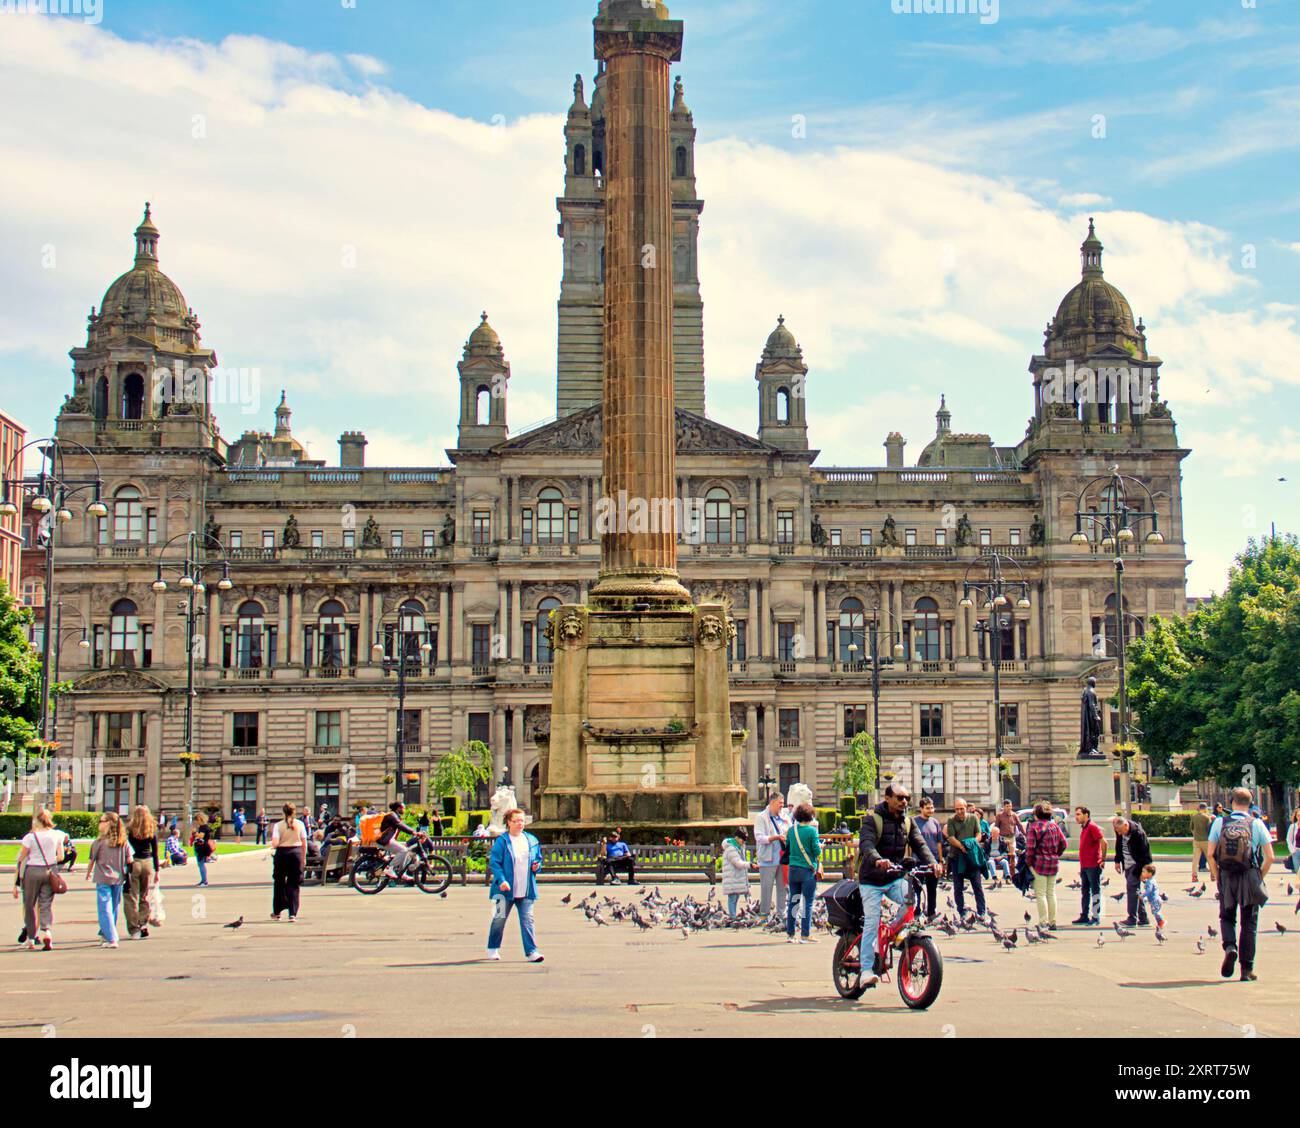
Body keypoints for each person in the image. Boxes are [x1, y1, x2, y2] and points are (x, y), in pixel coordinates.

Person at [858, 784, 938, 980]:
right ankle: (866, 970)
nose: (904, 802)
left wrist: (933, 863)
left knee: (912, 899)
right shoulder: (872, 820)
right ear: (887, 798)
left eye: (907, 798)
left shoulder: (908, 822)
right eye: (900, 798)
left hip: (894, 878)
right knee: (871, 921)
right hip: (871, 880)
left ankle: (894, 932)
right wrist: (877, 859)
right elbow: (866, 844)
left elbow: (920, 844)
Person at [1208, 787, 1274, 982]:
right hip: (1249, 875)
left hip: (1227, 875)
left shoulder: (1220, 822)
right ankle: (1246, 969)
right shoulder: (1256, 824)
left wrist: (1217, 875)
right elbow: (1270, 857)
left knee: (1227, 917)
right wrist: (1259, 876)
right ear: (1250, 804)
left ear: (1231, 802)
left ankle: (1230, 947)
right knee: (1249, 923)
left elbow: (1211, 854)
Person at [486, 808, 544, 962]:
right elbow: (495, 863)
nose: (520, 824)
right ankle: (493, 948)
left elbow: (538, 859)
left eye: (522, 821)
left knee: (528, 920)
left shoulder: (531, 840)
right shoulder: (502, 841)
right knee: (499, 918)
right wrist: (502, 880)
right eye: (516, 821)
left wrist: (536, 866)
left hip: (526, 888)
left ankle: (532, 952)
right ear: (508, 823)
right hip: (504, 889)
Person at [13, 809, 65, 950]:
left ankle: (31, 938)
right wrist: (48, 860)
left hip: (33, 871)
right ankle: (47, 931)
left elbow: (21, 857)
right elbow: (61, 857)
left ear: (37, 820)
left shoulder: (30, 837)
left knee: (29, 904)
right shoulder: (56, 835)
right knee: (45, 903)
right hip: (50, 870)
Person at [86, 812, 131, 949]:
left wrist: (88, 873)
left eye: (102, 820)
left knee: (104, 907)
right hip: (118, 878)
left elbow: (92, 860)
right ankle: (106, 933)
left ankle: (111, 937)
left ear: (109, 823)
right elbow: (130, 859)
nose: (99, 823)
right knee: (114, 907)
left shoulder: (99, 843)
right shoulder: (123, 842)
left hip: (103, 877)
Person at [1024, 801, 1067, 930]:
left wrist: (1029, 862)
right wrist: (1055, 854)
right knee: (1051, 893)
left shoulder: (1034, 827)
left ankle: (1043, 921)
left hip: (1038, 863)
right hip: (1053, 863)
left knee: (1040, 893)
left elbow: (1030, 848)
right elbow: (1064, 843)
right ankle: (1053, 921)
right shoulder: (1054, 826)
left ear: (1037, 814)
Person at [784, 803, 821, 944]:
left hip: (793, 870)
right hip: (807, 870)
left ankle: (791, 933)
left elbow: (788, 846)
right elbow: (817, 851)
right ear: (810, 816)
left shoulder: (791, 830)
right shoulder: (812, 831)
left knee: (793, 901)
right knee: (808, 903)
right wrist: (820, 847)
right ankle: (805, 934)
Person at [945, 797, 987, 919]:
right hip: (957, 857)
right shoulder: (951, 820)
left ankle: (981, 912)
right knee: (958, 886)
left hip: (971, 856)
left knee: (977, 885)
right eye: (957, 809)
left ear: (966, 808)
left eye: (962, 809)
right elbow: (951, 837)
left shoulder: (973, 818)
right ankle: (962, 911)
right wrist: (962, 847)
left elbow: (979, 834)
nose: (959, 811)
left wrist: (972, 843)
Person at [1112, 814, 1153, 926]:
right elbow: (1119, 845)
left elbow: (1146, 853)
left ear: (1126, 825)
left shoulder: (1138, 834)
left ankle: (1132, 918)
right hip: (1127, 864)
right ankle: (1143, 918)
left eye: (1121, 831)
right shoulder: (1119, 828)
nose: (1119, 834)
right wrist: (1117, 861)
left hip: (1137, 864)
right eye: (1117, 831)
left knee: (1131, 889)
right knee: (1135, 891)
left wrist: (1146, 871)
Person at [753, 792, 789, 919]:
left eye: (783, 804)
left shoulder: (785, 817)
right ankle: (764, 914)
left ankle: (781, 913)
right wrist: (775, 837)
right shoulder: (761, 817)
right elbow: (759, 837)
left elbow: (789, 831)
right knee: (766, 889)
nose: (782, 806)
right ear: (772, 803)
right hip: (767, 859)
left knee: (783, 888)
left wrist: (786, 837)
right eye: (780, 803)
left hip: (782, 858)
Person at [271, 803, 308, 922]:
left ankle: (277, 912)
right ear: (294, 811)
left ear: (283, 812)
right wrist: (303, 858)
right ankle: (292, 913)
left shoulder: (278, 825)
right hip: (296, 853)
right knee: (294, 884)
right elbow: (304, 842)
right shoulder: (300, 824)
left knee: (279, 882)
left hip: (282, 854)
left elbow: (275, 843)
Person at [1072, 806, 1107, 925]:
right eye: (1076, 814)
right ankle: (1084, 915)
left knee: (1095, 891)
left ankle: (1096, 916)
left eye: (1078, 814)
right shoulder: (1084, 827)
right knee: (1085, 891)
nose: (1076, 817)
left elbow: (1104, 842)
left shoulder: (1092, 826)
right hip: (1084, 865)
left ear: (1086, 814)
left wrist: (1103, 859)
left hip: (1093, 865)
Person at [914, 797, 945, 918]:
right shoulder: (914, 822)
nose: (930, 810)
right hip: (918, 860)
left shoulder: (935, 822)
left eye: (932, 807)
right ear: (921, 808)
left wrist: (940, 860)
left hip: (934, 860)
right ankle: (916, 911)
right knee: (917, 888)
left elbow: (939, 843)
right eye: (927, 808)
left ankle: (931, 911)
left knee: (932, 888)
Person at [378, 802, 417, 880]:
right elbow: (400, 825)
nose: (404, 809)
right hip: (384, 840)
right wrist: (413, 832)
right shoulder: (392, 815)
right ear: (398, 808)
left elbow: (401, 825)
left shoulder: (395, 815)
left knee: (407, 852)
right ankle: (389, 868)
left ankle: (401, 872)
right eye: (403, 808)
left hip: (388, 839)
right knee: (403, 850)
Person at [721, 827, 755, 917]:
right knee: (732, 898)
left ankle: (733, 916)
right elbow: (738, 863)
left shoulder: (740, 847)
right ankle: (732, 917)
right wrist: (750, 865)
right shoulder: (731, 848)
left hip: (736, 877)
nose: (743, 842)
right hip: (732, 877)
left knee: (735, 897)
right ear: (737, 837)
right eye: (742, 840)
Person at [994, 800, 1022, 875]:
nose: (1009, 808)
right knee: (1006, 855)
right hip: (1003, 838)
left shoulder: (1014, 815)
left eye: (1010, 806)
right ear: (1004, 807)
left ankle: (1013, 873)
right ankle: (1006, 874)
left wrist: (1025, 834)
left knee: (1013, 854)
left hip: (1012, 838)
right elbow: (996, 827)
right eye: (1007, 806)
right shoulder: (999, 815)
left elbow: (1019, 825)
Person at [1190, 803, 1213, 881]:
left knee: (1195, 860)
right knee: (1209, 858)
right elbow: (1209, 829)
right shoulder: (1207, 817)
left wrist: (1195, 834)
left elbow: (1191, 828)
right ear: (1205, 808)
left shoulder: (1193, 817)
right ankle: (1213, 875)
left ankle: (1194, 875)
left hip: (1196, 840)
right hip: (1206, 840)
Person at [1140, 864, 1166, 929]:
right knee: (1155, 912)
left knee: (1156, 912)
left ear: (1150, 873)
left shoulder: (1150, 882)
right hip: (1156, 899)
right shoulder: (1151, 880)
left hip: (1154, 900)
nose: (1142, 873)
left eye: (1144, 872)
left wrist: (1142, 896)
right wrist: (1144, 881)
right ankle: (1160, 923)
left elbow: (1149, 890)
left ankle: (1162, 921)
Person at [191, 813, 214, 886]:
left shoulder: (204, 827)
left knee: (201, 864)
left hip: (202, 848)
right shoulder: (202, 827)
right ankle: (203, 880)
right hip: (200, 847)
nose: (196, 822)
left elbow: (201, 836)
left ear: (201, 819)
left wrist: (194, 832)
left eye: (197, 820)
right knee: (200, 864)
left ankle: (204, 881)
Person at [1288, 808, 1300, 876]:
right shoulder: (1293, 826)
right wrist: (1292, 850)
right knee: (1298, 873)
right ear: (1296, 816)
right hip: (1296, 851)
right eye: (1298, 815)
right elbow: (1289, 839)